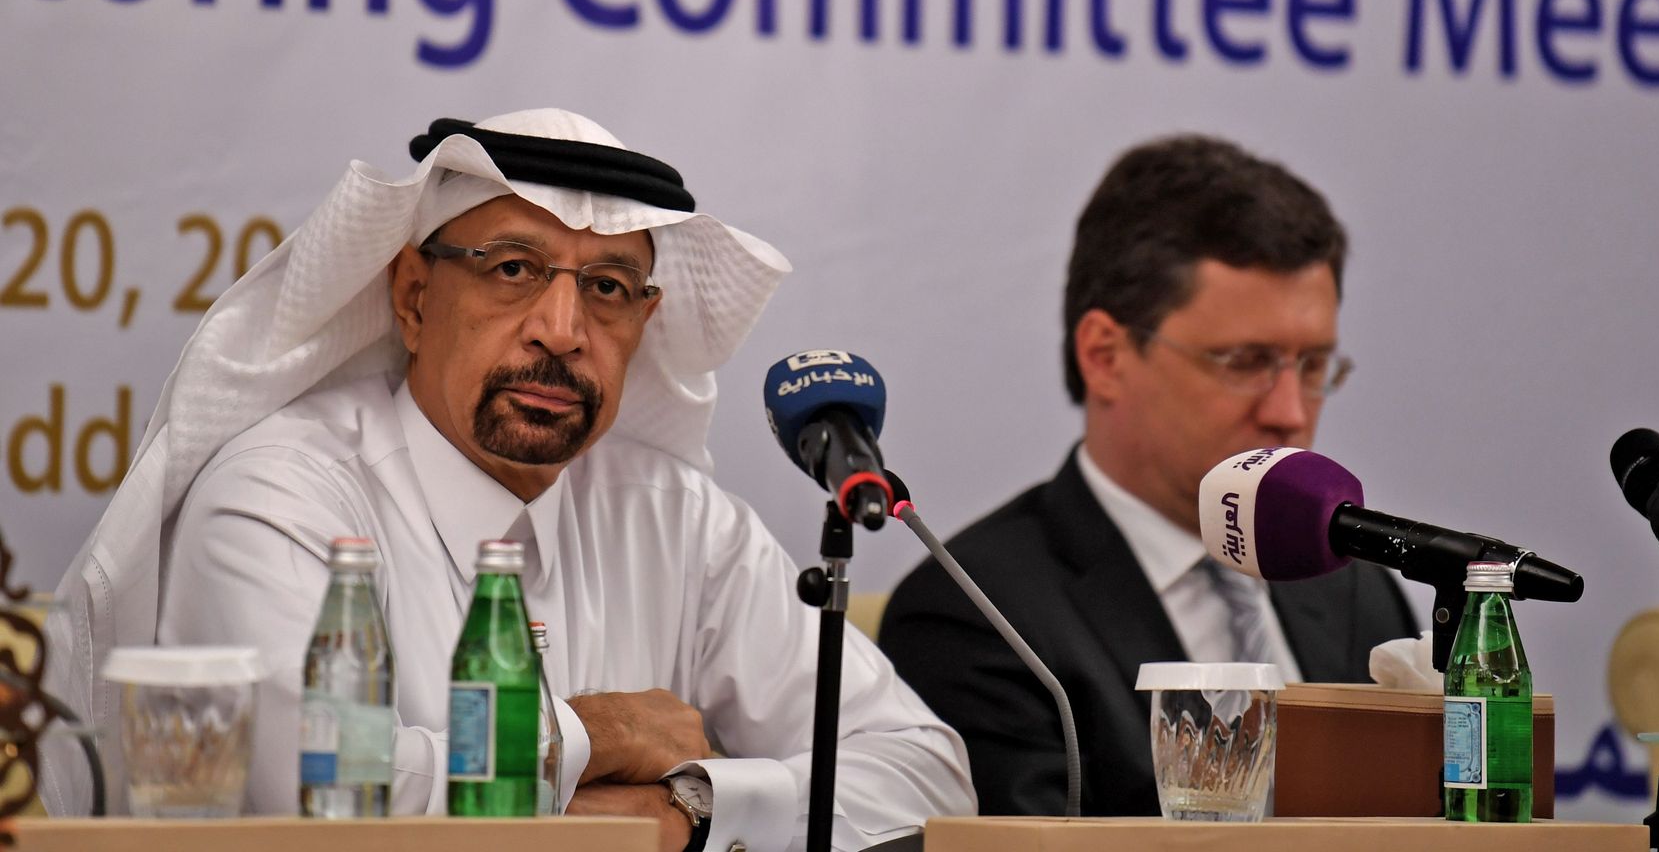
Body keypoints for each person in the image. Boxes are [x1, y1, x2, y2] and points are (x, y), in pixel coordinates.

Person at [43, 109, 974, 849]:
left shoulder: (677, 520)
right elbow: (307, 789)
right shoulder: (279, 495)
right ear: (414, 298)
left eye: (608, 287)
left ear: (643, 323)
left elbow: (924, 772)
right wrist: (591, 738)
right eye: (514, 269)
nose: (562, 331)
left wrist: (692, 810)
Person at [879, 134, 1417, 816]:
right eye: (1245, 361)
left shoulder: (1353, 587)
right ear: (1105, 356)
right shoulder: (975, 612)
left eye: (1313, 367)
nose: (1289, 413)